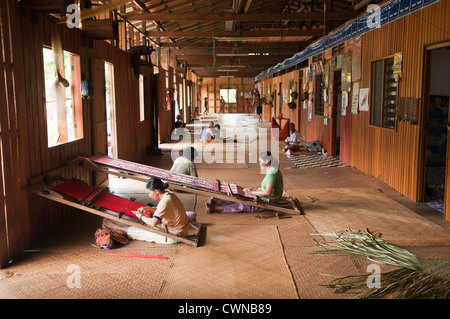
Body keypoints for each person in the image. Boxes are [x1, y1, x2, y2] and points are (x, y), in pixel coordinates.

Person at [103, 177, 189, 244]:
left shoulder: (165, 201)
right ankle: (121, 230)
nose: (149, 195)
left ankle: (117, 228)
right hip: (178, 229)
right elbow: (163, 210)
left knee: (142, 231)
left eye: (149, 193)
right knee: (144, 227)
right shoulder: (169, 195)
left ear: (157, 191)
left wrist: (140, 216)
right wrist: (149, 209)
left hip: (175, 236)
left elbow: (153, 222)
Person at [206, 151, 283, 213]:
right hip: (268, 196)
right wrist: (256, 191)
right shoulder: (271, 169)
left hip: (270, 200)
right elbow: (268, 188)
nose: (259, 164)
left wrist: (252, 193)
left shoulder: (272, 173)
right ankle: (221, 200)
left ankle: (217, 208)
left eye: (260, 161)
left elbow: (268, 193)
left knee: (245, 204)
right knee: (242, 194)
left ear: (266, 161)